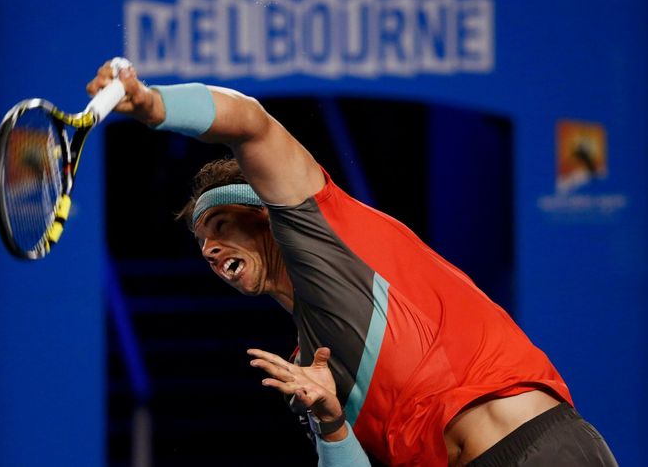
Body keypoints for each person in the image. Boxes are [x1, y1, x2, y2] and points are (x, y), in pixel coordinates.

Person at [87, 62, 618, 466]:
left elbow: (251, 123)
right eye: (202, 243)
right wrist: (332, 423)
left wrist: (154, 104)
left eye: (220, 227)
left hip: (532, 450)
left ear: (265, 216)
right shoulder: (308, 366)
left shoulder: (327, 225)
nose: (209, 249)